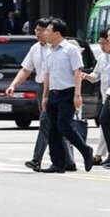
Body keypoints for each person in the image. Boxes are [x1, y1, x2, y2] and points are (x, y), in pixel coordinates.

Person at [5, 18, 75, 171]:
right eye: (36, 30)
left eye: (41, 30)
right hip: (42, 88)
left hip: (58, 89)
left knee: (45, 122)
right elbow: (26, 70)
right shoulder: (35, 48)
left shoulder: (59, 48)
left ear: (49, 31)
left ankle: (37, 159)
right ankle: (69, 161)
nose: (37, 33)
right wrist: (13, 85)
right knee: (55, 126)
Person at [40, 18, 94, 173]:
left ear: (57, 33)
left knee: (64, 126)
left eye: (48, 31)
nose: (45, 33)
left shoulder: (71, 49)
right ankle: (58, 163)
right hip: (53, 94)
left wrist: (77, 95)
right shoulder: (49, 51)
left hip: (68, 93)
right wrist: (45, 96)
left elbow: (77, 72)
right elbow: (47, 75)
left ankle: (86, 151)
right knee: (53, 130)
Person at [82, 29, 110, 168]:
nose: (102, 46)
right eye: (100, 43)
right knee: (105, 124)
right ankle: (101, 155)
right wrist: (87, 76)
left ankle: (99, 155)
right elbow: (96, 75)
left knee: (104, 121)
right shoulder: (102, 57)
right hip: (106, 96)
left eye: (104, 43)